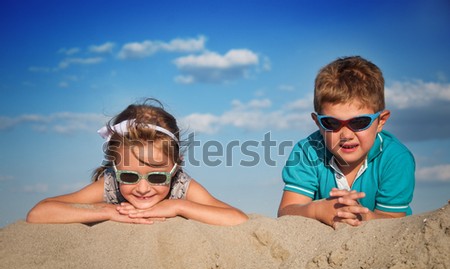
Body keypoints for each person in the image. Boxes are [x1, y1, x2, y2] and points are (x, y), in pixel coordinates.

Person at [27, 99, 248, 226]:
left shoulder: (181, 185)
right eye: (129, 176)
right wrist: (107, 211)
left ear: (176, 166)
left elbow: (238, 219)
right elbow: (39, 213)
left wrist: (180, 206)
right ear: (115, 168)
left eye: (158, 177)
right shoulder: (110, 184)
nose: (143, 188)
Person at [278, 56, 415, 228]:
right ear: (317, 123)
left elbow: (395, 220)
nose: (346, 134)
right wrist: (316, 210)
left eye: (359, 122)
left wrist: (362, 217)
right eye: (332, 123)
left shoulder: (396, 158)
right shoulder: (307, 151)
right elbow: (286, 211)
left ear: (381, 121)